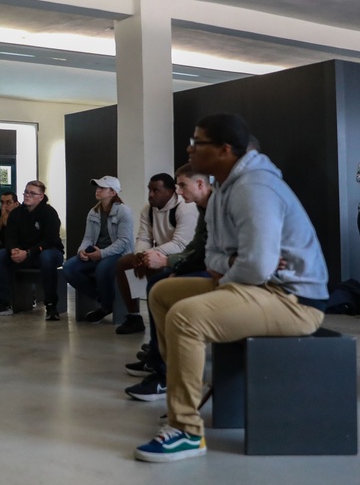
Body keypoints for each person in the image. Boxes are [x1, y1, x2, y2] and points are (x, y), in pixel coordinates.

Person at [134, 113, 328, 462]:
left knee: (186, 317)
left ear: (224, 150)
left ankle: (186, 431)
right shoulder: (224, 188)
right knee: (162, 293)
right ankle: (180, 382)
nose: (189, 148)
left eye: (198, 142)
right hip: (258, 285)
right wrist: (233, 264)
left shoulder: (255, 187)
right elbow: (214, 256)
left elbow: (256, 266)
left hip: (293, 300)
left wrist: (239, 266)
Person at [124, 164, 212, 401]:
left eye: (182, 185)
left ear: (201, 184)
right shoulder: (206, 207)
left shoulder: (193, 208)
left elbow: (190, 247)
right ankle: (153, 353)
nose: (179, 191)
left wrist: (169, 262)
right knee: (133, 270)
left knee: (160, 287)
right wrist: (144, 255)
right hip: (203, 267)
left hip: (223, 277)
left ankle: (163, 371)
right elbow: (197, 249)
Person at [113, 173, 198, 335]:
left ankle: (162, 329)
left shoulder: (185, 208)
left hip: (181, 257)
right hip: (157, 252)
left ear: (170, 191)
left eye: (156, 190)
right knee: (124, 263)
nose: (151, 194)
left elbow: (180, 245)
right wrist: (139, 254)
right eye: (149, 190)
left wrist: (148, 254)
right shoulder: (148, 209)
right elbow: (144, 236)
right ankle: (134, 316)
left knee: (158, 271)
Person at [0, 181, 65, 320]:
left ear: (41, 196)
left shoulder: (49, 213)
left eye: (32, 193)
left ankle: (51, 305)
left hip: (48, 252)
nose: (28, 195)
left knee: (46, 257)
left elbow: (50, 240)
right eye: (26, 192)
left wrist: (28, 253)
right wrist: (13, 251)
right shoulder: (16, 214)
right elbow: (10, 237)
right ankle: (3, 303)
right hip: (24, 253)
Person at [62, 176, 134, 322]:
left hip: (119, 254)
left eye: (102, 188)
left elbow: (123, 242)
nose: (98, 190)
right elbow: (88, 237)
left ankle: (106, 306)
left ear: (113, 192)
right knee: (69, 267)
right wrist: (82, 250)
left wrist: (101, 254)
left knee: (102, 269)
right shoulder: (93, 212)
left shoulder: (124, 212)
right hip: (96, 251)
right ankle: (103, 301)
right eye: (97, 187)